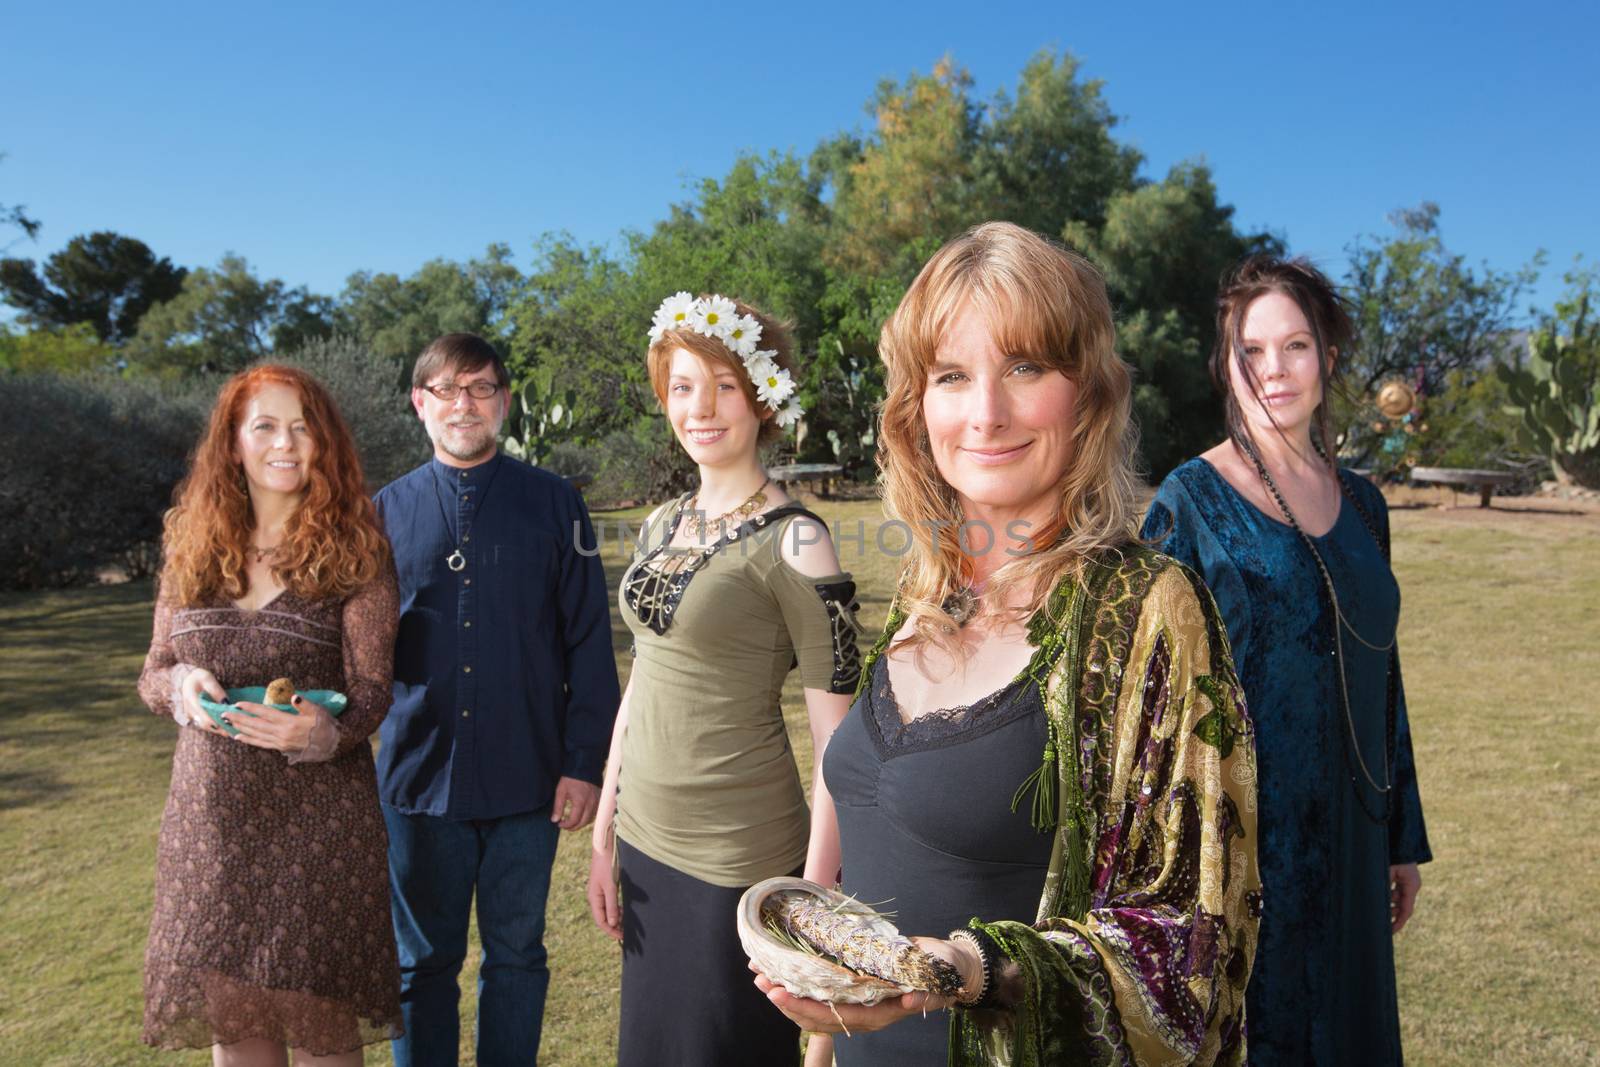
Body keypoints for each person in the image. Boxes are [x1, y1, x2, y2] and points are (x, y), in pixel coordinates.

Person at [754, 222, 1262, 1067]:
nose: (985, 412)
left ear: (1089, 392)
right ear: (918, 407)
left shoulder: (1145, 610)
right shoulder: (925, 599)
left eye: (1025, 367)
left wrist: (966, 969)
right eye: (952, 375)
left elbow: (1191, 941)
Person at [1141, 255, 1430, 1065]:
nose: (1274, 369)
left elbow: (1383, 671)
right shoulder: (1187, 501)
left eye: (1295, 346)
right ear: (1225, 365)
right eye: (1251, 350)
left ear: (1328, 358)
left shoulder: (1365, 503)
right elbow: (1151, 701)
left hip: (1354, 831)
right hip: (1244, 851)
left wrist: (1400, 833)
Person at [586, 293, 862, 1067]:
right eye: (681, 386)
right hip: (643, 847)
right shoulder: (660, 522)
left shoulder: (798, 539)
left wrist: (809, 900)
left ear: (762, 397)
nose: (699, 408)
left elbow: (837, 742)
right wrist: (605, 833)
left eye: (724, 386)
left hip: (735, 864)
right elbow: (642, 680)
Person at [136, 364, 402, 1065]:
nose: (286, 442)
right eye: (265, 425)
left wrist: (331, 732)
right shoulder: (189, 544)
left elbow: (372, 685)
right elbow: (153, 671)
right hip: (212, 828)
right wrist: (182, 683)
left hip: (319, 828)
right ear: (232, 444)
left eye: (302, 426)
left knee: (322, 1038)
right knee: (239, 1035)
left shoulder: (359, 551)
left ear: (324, 443)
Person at [373, 333, 619, 1066]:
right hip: (417, 782)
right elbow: (357, 653)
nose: (464, 403)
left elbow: (589, 644)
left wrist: (585, 764)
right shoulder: (381, 513)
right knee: (420, 966)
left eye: (480, 387)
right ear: (421, 404)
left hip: (529, 781)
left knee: (516, 954)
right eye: (446, 389)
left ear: (505, 401)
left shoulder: (556, 503)